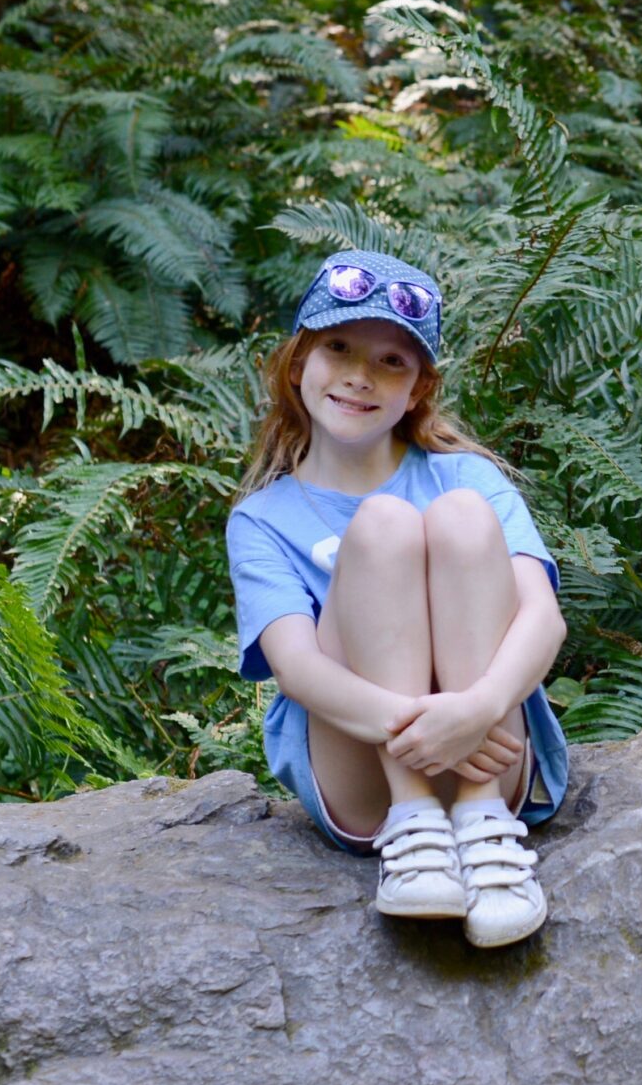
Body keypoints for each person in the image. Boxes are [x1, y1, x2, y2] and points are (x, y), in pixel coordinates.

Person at [226, 249, 572, 946]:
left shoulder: (464, 478)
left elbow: (543, 617)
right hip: (367, 780)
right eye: (339, 347)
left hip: (487, 761)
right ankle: (416, 830)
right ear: (298, 364)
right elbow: (296, 667)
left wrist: (473, 710)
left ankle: (483, 833)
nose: (360, 374)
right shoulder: (263, 519)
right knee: (381, 525)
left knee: (463, 517)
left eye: (392, 361)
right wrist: (423, 726)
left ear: (417, 389)